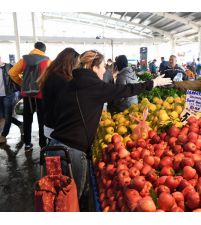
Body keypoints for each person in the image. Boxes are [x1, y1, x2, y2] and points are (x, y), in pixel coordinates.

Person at [44, 50, 171, 202]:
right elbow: (125, 90)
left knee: (56, 199)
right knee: (72, 201)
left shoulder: (69, 83)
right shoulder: (94, 86)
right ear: (94, 67)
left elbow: (56, 113)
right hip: (73, 153)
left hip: (54, 147)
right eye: (103, 66)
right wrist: (153, 83)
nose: (105, 70)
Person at [9, 41, 51, 153]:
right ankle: (43, 145)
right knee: (42, 120)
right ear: (44, 50)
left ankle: (27, 144)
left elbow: (12, 72)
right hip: (41, 95)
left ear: (34, 48)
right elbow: (51, 77)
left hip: (27, 95)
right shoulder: (47, 61)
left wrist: (22, 83)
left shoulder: (24, 59)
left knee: (27, 120)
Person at [38, 48, 80, 142]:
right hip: (58, 129)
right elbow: (64, 107)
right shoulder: (62, 80)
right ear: (70, 64)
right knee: (58, 155)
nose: (77, 68)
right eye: (76, 64)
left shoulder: (51, 75)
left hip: (50, 125)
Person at [0, 56, 23, 143]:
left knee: (7, 116)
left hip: (9, 95)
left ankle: (3, 135)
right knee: (3, 115)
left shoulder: (9, 66)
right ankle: (20, 124)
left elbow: (18, 77)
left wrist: (20, 90)